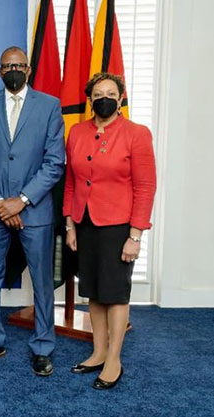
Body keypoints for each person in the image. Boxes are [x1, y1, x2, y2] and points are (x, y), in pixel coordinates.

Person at [0, 46, 65, 376]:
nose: (13, 70)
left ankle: (43, 346)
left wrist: (21, 200)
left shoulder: (50, 106)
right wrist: (0, 203)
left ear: (29, 68)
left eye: (19, 65)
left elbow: (55, 163)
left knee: (42, 282)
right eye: (7, 66)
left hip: (34, 211)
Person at [63, 72, 156, 389]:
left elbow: (145, 187)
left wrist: (135, 235)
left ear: (120, 98)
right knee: (93, 290)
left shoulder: (136, 134)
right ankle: (98, 351)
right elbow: (72, 182)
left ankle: (114, 360)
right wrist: (70, 223)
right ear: (89, 99)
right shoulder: (76, 133)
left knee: (115, 292)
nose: (104, 98)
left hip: (118, 226)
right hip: (85, 223)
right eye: (98, 93)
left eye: (110, 93)